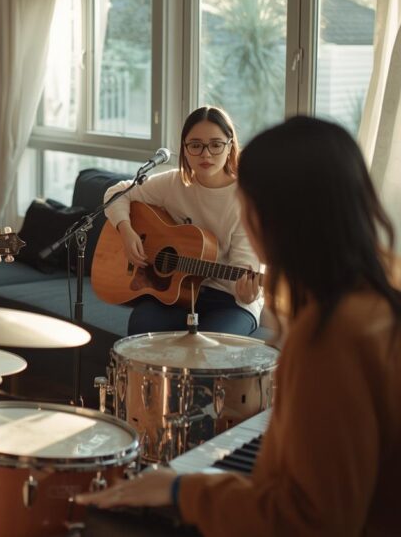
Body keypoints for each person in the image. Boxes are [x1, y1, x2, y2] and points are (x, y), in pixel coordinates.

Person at [77, 116, 401, 535]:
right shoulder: (378, 300)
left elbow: (310, 520)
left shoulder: (329, 339)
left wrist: (181, 490)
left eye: (248, 205)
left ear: (276, 218)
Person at [103, 106, 263, 336]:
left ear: (230, 147)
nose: (206, 154)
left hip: (228, 301)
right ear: (185, 149)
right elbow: (116, 193)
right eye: (195, 145)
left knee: (212, 347)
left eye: (216, 145)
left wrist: (245, 293)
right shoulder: (173, 184)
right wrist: (126, 231)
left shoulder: (246, 200)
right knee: (142, 325)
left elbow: (243, 269)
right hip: (176, 294)